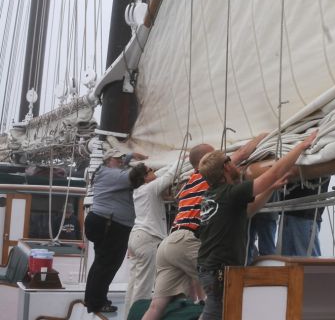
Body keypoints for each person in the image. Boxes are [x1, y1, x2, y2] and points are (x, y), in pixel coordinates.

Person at [141, 134, 267, 320]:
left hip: (169, 244)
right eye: (217, 154)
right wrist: (263, 137)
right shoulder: (205, 177)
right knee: (223, 294)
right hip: (187, 240)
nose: (222, 154)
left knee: (156, 306)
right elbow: (241, 153)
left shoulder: (188, 184)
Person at [196, 131, 316, 320]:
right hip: (219, 272)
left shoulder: (212, 196)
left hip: (209, 269)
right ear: (226, 167)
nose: (235, 165)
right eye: (231, 161)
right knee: (216, 315)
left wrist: (270, 188)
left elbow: (249, 210)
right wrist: (301, 146)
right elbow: (274, 172)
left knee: (220, 313)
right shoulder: (231, 193)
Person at [84, 145, 148, 314]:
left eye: (122, 159)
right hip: (111, 225)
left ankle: (92, 299)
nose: (121, 161)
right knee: (107, 265)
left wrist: (131, 155)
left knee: (101, 263)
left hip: (103, 221)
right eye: (117, 159)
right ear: (107, 160)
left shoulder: (105, 170)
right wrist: (147, 165)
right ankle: (96, 303)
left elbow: (121, 162)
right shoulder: (112, 174)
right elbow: (133, 175)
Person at [123, 158, 181, 313]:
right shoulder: (150, 188)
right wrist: (181, 159)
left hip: (137, 238)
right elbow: (169, 176)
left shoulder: (139, 190)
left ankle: (128, 315)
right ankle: (137, 316)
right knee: (144, 287)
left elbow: (160, 174)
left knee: (134, 283)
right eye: (150, 171)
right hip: (148, 240)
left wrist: (166, 166)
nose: (154, 172)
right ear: (144, 178)